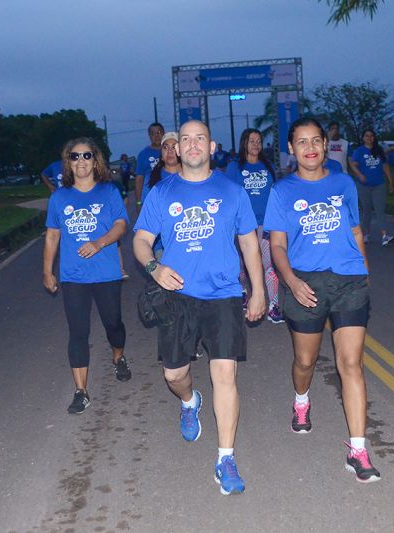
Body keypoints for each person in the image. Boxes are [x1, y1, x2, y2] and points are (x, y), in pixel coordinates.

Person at [133, 120, 265, 495]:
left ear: (212, 147)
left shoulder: (232, 190)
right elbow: (142, 241)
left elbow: (251, 244)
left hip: (222, 293)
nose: (191, 145)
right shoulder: (162, 192)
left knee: (226, 374)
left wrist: (257, 290)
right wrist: (154, 267)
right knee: (174, 376)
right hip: (177, 295)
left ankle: (226, 458)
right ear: (175, 148)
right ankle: (190, 401)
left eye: (199, 139)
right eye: (184, 139)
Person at [263, 117, 381, 483]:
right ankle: (301, 400)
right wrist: (292, 282)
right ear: (292, 149)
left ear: (325, 146)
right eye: (302, 142)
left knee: (351, 364)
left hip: (348, 281)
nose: (311, 147)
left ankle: (358, 450)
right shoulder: (282, 191)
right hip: (305, 283)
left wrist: (364, 271)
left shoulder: (344, 182)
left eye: (316, 140)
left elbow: (356, 230)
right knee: (305, 360)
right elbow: (277, 244)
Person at [43, 137, 131, 414]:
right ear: (67, 162)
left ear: (96, 160)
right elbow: (52, 236)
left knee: (113, 323)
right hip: (73, 276)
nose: (81, 161)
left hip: (106, 272)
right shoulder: (59, 197)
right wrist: (47, 271)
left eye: (86, 156)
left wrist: (99, 243)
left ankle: (119, 356)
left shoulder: (108, 192)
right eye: (75, 156)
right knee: (78, 332)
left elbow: (120, 225)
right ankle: (81, 391)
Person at [225, 128, 282, 323]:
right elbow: (228, 194)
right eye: (252, 141)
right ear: (244, 143)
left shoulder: (268, 166)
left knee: (269, 264)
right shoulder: (235, 167)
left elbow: (275, 193)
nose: (256, 144)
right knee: (241, 264)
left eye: (258, 141)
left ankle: (273, 305)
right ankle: (243, 291)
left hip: (265, 222)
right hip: (242, 224)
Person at [349, 128, 394, 246]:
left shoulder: (379, 151)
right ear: (363, 138)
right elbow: (353, 165)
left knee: (380, 210)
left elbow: (385, 167)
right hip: (363, 185)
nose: (369, 138)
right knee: (367, 210)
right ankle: (366, 234)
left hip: (379, 184)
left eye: (371, 136)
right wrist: (360, 175)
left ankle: (384, 235)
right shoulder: (359, 151)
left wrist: (390, 182)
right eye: (367, 136)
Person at [134, 122, 164, 216]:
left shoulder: (172, 151)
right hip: (150, 198)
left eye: (158, 132)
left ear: (163, 133)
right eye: (152, 133)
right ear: (149, 136)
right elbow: (139, 179)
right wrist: (139, 202)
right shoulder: (143, 154)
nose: (156, 136)